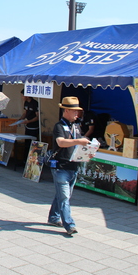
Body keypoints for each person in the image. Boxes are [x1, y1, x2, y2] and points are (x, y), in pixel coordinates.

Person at [47, 96, 90, 236]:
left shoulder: (76, 126)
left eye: (78, 111)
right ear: (66, 110)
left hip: (73, 167)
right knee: (65, 197)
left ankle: (53, 217)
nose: (77, 114)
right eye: (74, 111)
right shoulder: (59, 126)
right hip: (61, 166)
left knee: (63, 195)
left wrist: (89, 150)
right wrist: (79, 140)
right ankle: (69, 225)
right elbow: (61, 142)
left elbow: (79, 145)